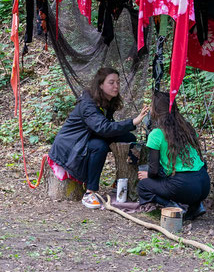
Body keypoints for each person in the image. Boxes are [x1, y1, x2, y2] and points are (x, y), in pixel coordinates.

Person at [49, 67, 149, 209]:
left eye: (118, 82)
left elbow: (105, 127)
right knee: (99, 146)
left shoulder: (107, 102)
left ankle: (123, 182)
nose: (116, 86)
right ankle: (90, 192)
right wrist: (133, 122)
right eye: (111, 82)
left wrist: (128, 127)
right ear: (100, 85)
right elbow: (103, 128)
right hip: (71, 145)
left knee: (129, 137)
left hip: (88, 136)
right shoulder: (88, 103)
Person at [137, 91, 209, 220]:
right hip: (204, 184)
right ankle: (196, 206)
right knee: (174, 176)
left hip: (183, 186)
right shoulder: (187, 128)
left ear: (156, 110)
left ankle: (172, 206)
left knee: (143, 186)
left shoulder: (156, 134)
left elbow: (153, 171)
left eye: (151, 106)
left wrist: (148, 175)